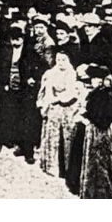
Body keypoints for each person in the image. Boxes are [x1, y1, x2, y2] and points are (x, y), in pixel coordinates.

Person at [77, 66, 112, 199]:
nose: (92, 81)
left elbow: (104, 115)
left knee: (100, 161)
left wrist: (88, 117)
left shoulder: (105, 95)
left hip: (101, 131)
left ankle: (101, 191)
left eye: (94, 78)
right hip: (96, 129)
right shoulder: (96, 93)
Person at [0, 29, 43, 164]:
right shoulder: (6, 52)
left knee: (27, 120)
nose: (15, 42)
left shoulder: (30, 53)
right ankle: (20, 146)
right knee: (15, 118)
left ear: (22, 39)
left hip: (26, 91)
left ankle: (29, 152)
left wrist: (32, 78)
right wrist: (4, 83)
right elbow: (1, 69)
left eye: (18, 39)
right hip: (12, 90)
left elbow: (40, 67)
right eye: (13, 39)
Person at [36, 48, 81, 178]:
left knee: (66, 138)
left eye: (63, 60)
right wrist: (45, 102)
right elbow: (44, 91)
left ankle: (66, 168)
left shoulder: (72, 74)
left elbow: (72, 93)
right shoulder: (50, 73)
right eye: (58, 60)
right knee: (52, 136)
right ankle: (50, 165)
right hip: (53, 109)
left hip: (67, 109)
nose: (60, 62)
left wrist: (60, 99)